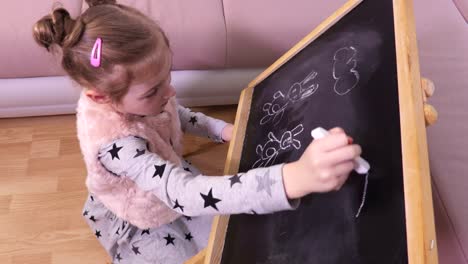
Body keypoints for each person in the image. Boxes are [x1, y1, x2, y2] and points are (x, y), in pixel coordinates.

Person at [33, 0, 362, 263]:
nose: (170, 93)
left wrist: (222, 131)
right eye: (153, 91)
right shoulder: (117, 146)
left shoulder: (142, 100)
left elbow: (177, 115)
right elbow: (185, 195)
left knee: (234, 232)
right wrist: (292, 179)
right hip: (139, 213)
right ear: (101, 97)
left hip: (168, 178)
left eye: (168, 77)